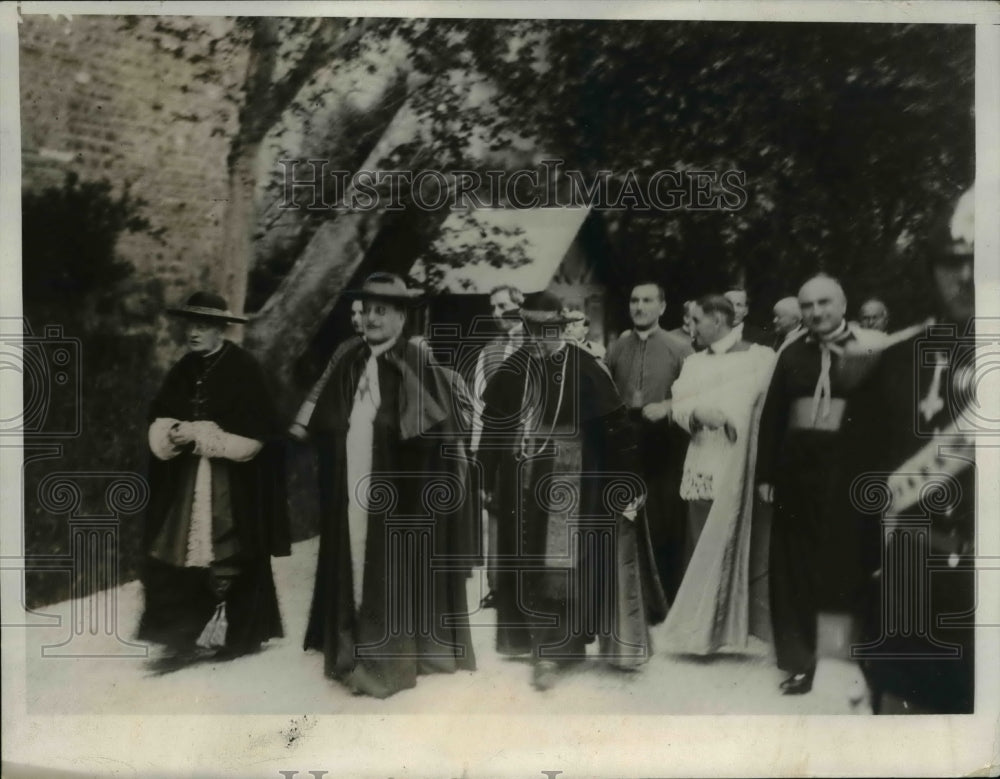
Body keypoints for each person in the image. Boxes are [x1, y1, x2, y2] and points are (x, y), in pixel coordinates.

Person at [480, 291, 666, 691]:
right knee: (522, 560)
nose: (538, 337)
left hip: (570, 480)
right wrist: (485, 476)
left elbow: (617, 430)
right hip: (520, 480)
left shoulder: (586, 367)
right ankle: (530, 641)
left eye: (547, 329)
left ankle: (552, 651)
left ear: (561, 328)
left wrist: (630, 481)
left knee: (558, 568)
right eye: (532, 329)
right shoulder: (513, 366)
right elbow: (494, 427)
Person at [302, 273, 477, 698]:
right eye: (369, 309)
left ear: (401, 317)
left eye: (384, 310)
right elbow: (325, 422)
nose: (373, 318)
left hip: (402, 496)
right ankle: (349, 646)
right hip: (353, 482)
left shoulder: (417, 363)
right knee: (355, 560)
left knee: (390, 569)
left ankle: (386, 662)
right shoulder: (349, 359)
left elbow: (437, 438)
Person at [845, 186, 975, 713]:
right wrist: (839, 654)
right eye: (951, 262)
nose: (965, 277)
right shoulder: (898, 363)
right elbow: (848, 511)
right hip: (919, 604)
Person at [139, 291, 289, 665]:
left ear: (221, 329)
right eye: (191, 324)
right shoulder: (183, 369)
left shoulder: (243, 369)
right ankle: (181, 634)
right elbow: (160, 414)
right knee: (177, 551)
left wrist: (202, 435)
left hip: (233, 483)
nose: (194, 332)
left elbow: (255, 440)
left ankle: (240, 634)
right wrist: (172, 430)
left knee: (231, 550)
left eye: (204, 325)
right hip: (187, 481)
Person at [755, 274, 885, 694]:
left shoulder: (870, 350)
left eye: (824, 303)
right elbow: (772, 417)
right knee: (794, 574)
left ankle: (837, 661)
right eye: (808, 305)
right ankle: (802, 662)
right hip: (797, 482)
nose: (816, 312)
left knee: (844, 570)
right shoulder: (791, 355)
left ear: (843, 304)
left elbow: (887, 421)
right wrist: (766, 476)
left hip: (849, 482)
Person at [661, 295, 775, 654]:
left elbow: (770, 411)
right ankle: (700, 633)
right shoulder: (693, 363)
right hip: (703, 461)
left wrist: (732, 421)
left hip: (743, 464)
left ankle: (739, 629)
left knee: (745, 545)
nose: (691, 328)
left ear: (719, 320)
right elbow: (678, 403)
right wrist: (697, 413)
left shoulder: (761, 358)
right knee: (700, 542)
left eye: (696, 321)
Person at [605, 282, 692, 599]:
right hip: (626, 438)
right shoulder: (616, 348)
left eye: (647, 301)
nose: (639, 307)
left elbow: (696, 393)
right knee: (626, 514)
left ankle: (666, 598)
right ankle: (633, 597)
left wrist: (668, 407)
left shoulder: (679, 348)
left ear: (662, 307)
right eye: (634, 300)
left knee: (664, 516)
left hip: (665, 440)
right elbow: (604, 390)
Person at [469, 284, 525, 612]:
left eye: (503, 305)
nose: (497, 313)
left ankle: (522, 584)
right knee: (494, 510)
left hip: (523, 443)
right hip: (495, 445)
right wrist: (479, 458)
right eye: (492, 307)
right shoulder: (488, 351)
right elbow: (478, 407)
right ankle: (496, 585)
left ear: (519, 307)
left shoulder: (533, 346)